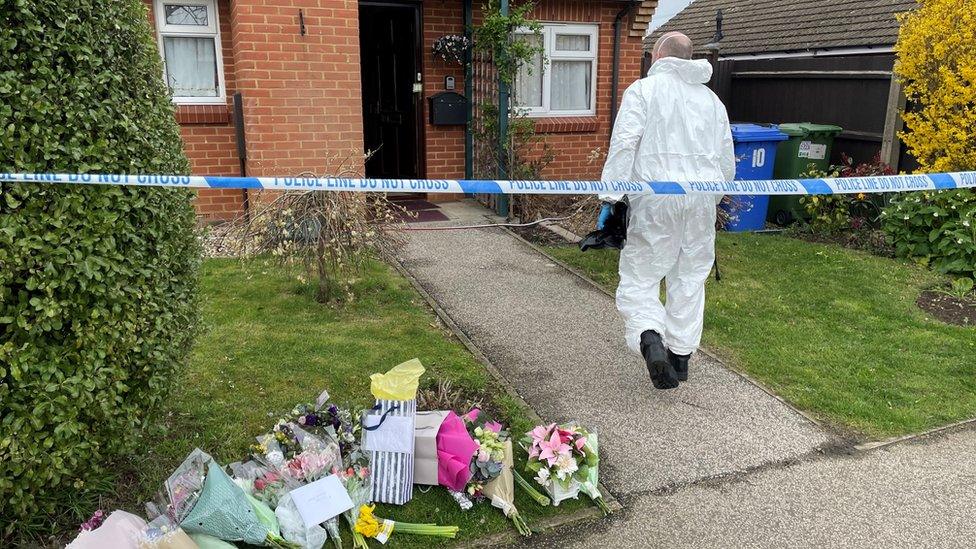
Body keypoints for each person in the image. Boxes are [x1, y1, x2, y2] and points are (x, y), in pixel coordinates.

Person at [599, 32, 734, 390]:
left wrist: (611, 199)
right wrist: (713, 199)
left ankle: (651, 339)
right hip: (701, 202)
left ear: (658, 55)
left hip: (655, 200)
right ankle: (681, 357)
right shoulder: (712, 102)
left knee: (641, 277)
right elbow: (727, 164)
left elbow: (624, 145)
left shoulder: (643, 91)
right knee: (689, 279)